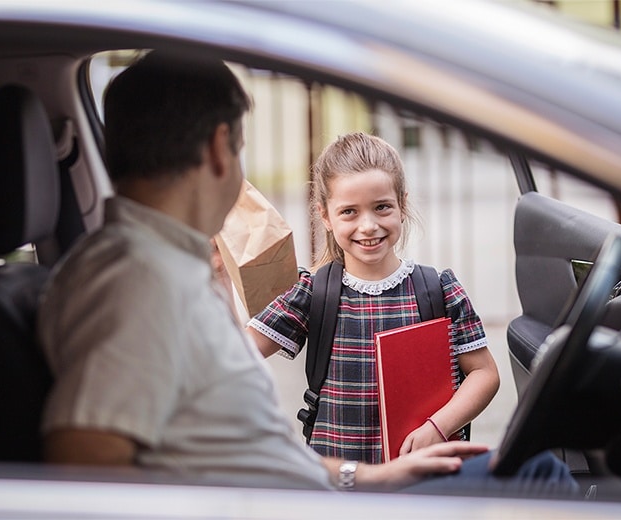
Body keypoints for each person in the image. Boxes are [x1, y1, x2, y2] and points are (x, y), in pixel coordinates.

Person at [37, 50, 576, 495]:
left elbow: (247, 445)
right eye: (242, 147)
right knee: (539, 473)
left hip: (330, 487)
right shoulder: (134, 282)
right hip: (293, 504)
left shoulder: (168, 269)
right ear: (220, 149)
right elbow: (89, 466)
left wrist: (367, 476)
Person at [247, 132, 500, 463]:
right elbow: (237, 354)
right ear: (325, 216)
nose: (368, 225)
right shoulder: (313, 293)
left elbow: (485, 374)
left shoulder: (439, 291)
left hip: (420, 476)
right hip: (340, 481)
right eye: (349, 212)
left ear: (402, 206)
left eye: (381, 207)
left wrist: (438, 427)